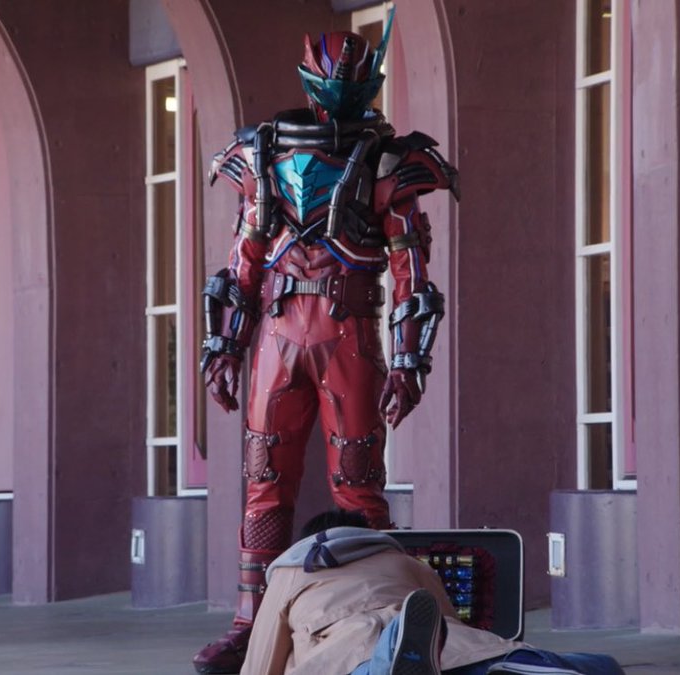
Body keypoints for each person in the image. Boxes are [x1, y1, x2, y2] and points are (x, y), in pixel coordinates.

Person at [194, 11, 454, 673]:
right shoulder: (261, 155)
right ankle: (251, 624)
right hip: (279, 336)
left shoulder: (390, 161)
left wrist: (409, 360)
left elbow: (411, 270)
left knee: (359, 489)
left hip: (349, 335)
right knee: (264, 484)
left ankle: (384, 619)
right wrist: (224, 347)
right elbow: (244, 262)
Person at [240, 510, 627, 675]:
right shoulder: (405, 562)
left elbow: (260, 662)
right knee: (597, 665)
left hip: (345, 655)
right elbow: (443, 625)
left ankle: (391, 659)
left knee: (369, 664)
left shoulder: (292, 570)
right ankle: (530, 663)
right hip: (456, 649)